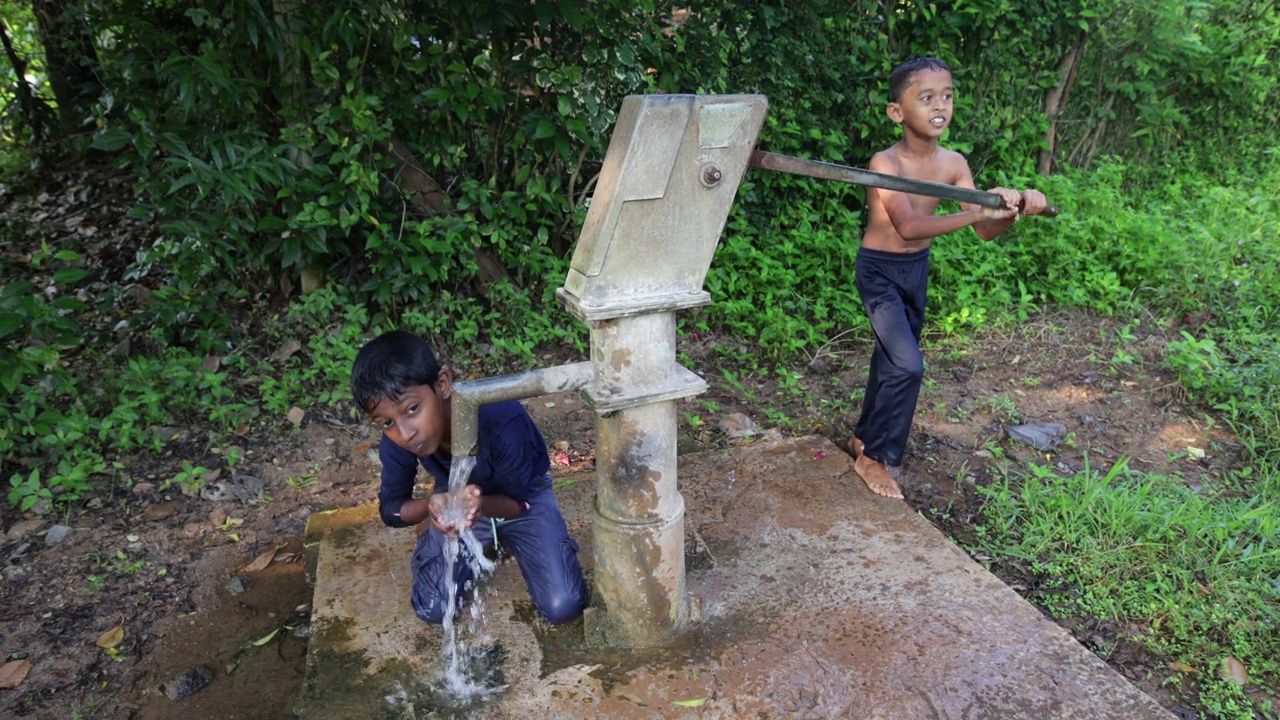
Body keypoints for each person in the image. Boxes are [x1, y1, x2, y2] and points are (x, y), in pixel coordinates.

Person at [846, 57, 1048, 500]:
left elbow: (983, 231)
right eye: (926, 98)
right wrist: (978, 208)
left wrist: (1013, 212)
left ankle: (863, 435)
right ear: (897, 112)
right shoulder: (886, 163)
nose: (940, 106)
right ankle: (874, 458)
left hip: (915, 271)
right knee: (908, 363)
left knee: (890, 360)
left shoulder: (954, 162)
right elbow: (909, 227)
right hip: (879, 270)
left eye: (947, 96)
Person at [350, 330, 590, 624]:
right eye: (386, 422)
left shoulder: (502, 421)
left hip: (522, 498)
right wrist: (434, 506)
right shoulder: (399, 437)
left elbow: (517, 505)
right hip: (455, 496)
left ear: (442, 385)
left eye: (412, 409)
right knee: (433, 607)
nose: (405, 432)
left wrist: (477, 506)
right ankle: (436, 536)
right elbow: (391, 510)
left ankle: (527, 539)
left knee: (564, 605)